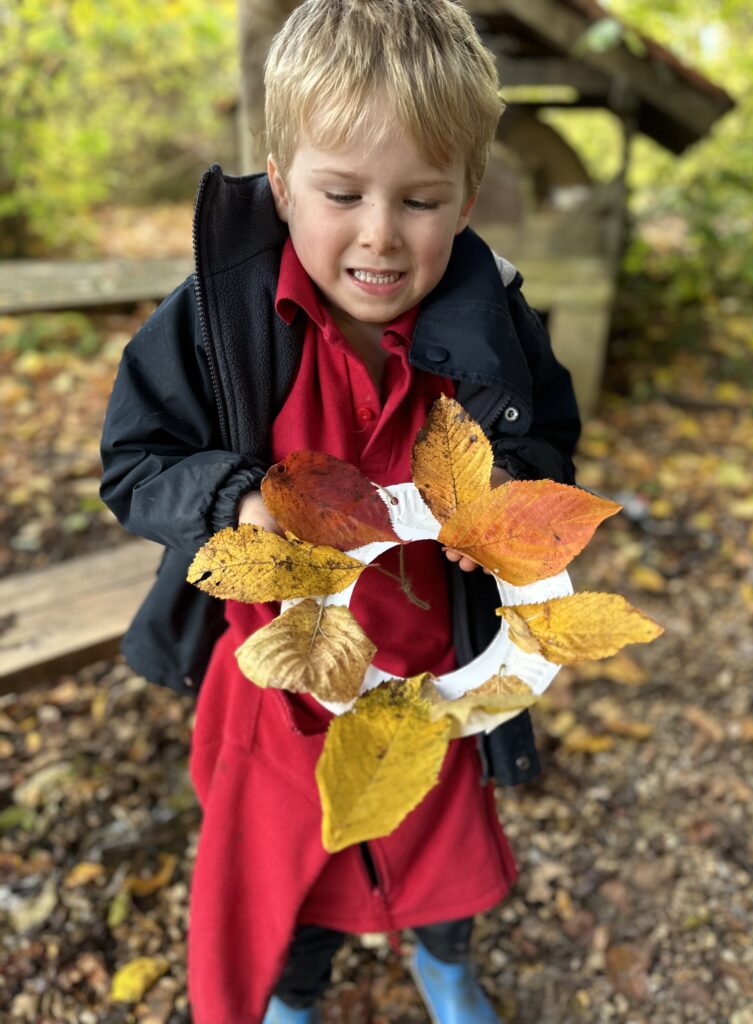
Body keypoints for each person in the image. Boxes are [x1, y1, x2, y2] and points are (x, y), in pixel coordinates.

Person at [100, 1, 580, 1021]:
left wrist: (506, 499)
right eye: (342, 192)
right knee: (294, 864)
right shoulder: (215, 318)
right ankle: (293, 991)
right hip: (276, 679)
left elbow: (548, 434)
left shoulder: (495, 318)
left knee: (436, 838)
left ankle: (444, 962)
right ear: (280, 183)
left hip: (435, 663)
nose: (379, 234)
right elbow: (137, 463)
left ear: (466, 197)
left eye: (419, 200)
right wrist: (232, 496)